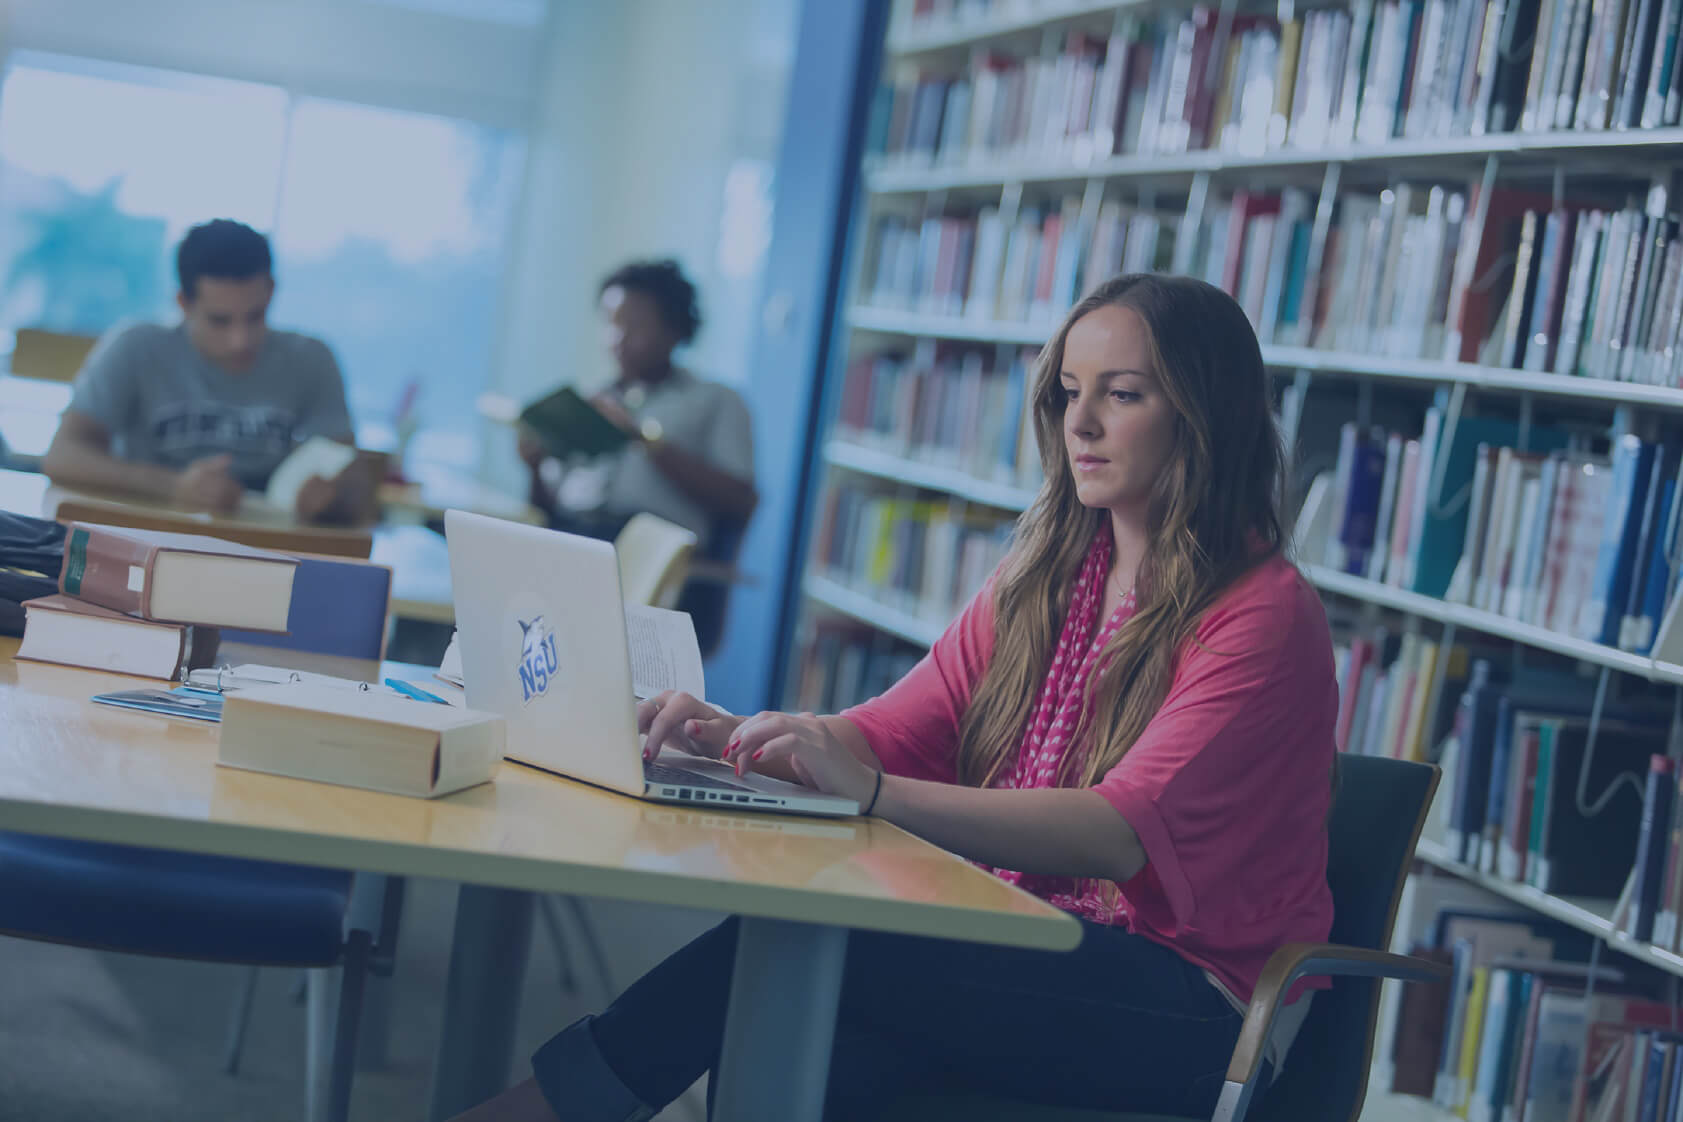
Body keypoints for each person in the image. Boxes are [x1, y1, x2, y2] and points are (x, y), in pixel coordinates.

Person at [456, 274, 1339, 1122]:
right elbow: (899, 727)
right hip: (1039, 939)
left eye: (1124, 394)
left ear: (1202, 414)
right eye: (1069, 392)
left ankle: (548, 1109)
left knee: (840, 944)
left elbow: (1114, 832)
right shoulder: (1049, 576)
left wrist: (869, 793)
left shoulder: (1263, 613)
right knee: (806, 1040)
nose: (1082, 423)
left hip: (1195, 1008)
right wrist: (747, 737)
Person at [42, 219, 368, 523]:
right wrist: (173, 485)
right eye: (219, 320)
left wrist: (331, 497)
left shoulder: (311, 359)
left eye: (255, 316)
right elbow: (62, 456)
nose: (240, 340)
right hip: (148, 533)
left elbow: (356, 482)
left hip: (266, 545)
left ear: (270, 290)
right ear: (183, 302)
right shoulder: (135, 347)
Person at [517, 258, 757, 545]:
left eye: (635, 325)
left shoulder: (716, 401)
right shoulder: (590, 401)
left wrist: (644, 439)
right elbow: (545, 511)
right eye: (611, 322)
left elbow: (741, 502)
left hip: (646, 552)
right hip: (570, 536)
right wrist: (533, 468)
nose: (619, 338)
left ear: (675, 329)